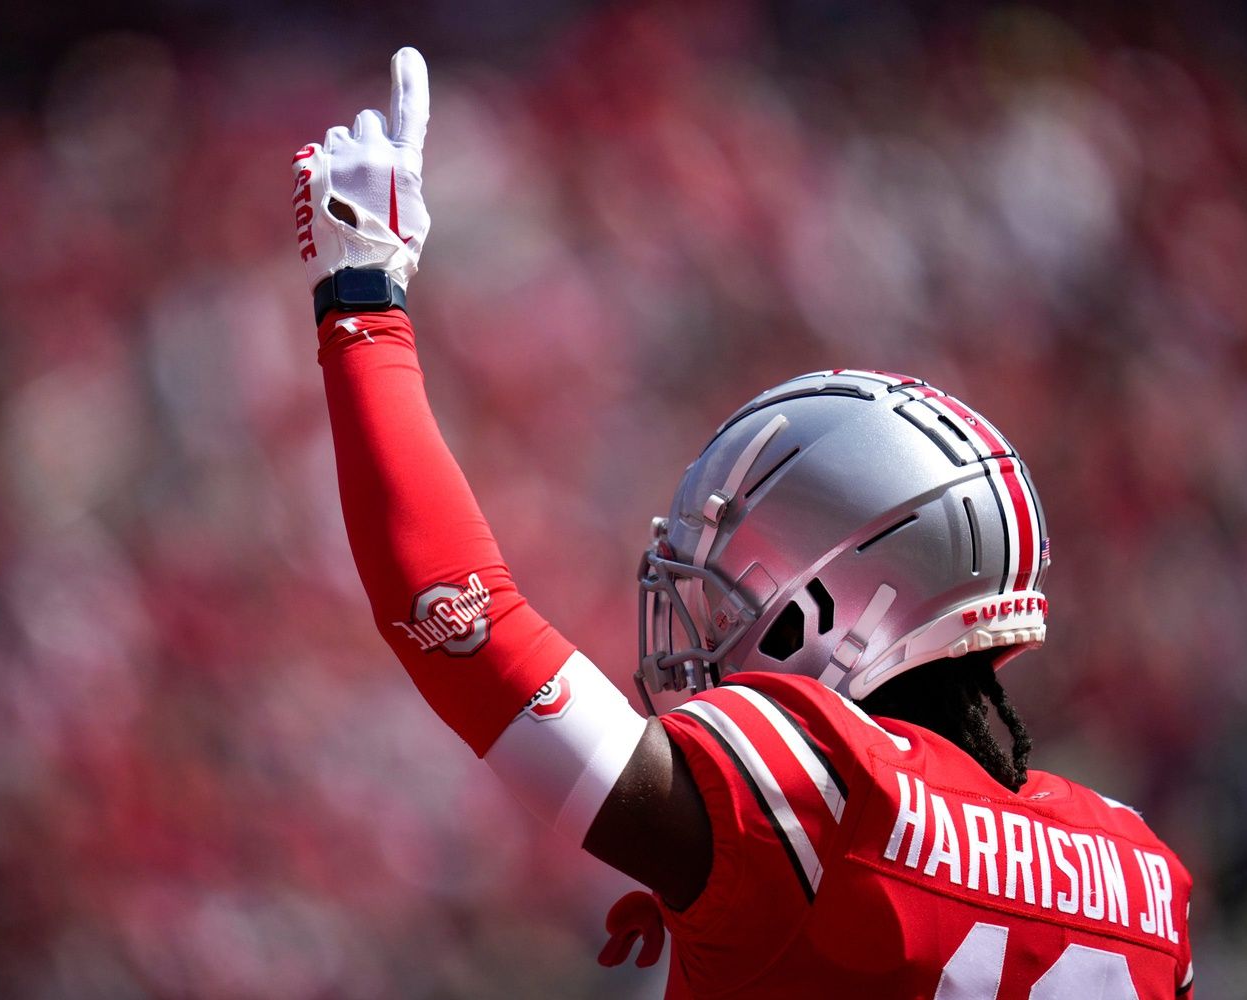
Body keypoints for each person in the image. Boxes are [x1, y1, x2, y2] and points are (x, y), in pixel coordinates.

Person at [291, 47, 1195, 999]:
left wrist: (362, 303)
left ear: (825, 608)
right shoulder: (1144, 874)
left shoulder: (826, 800)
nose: (703, 636)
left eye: (730, 596)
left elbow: (461, 627)